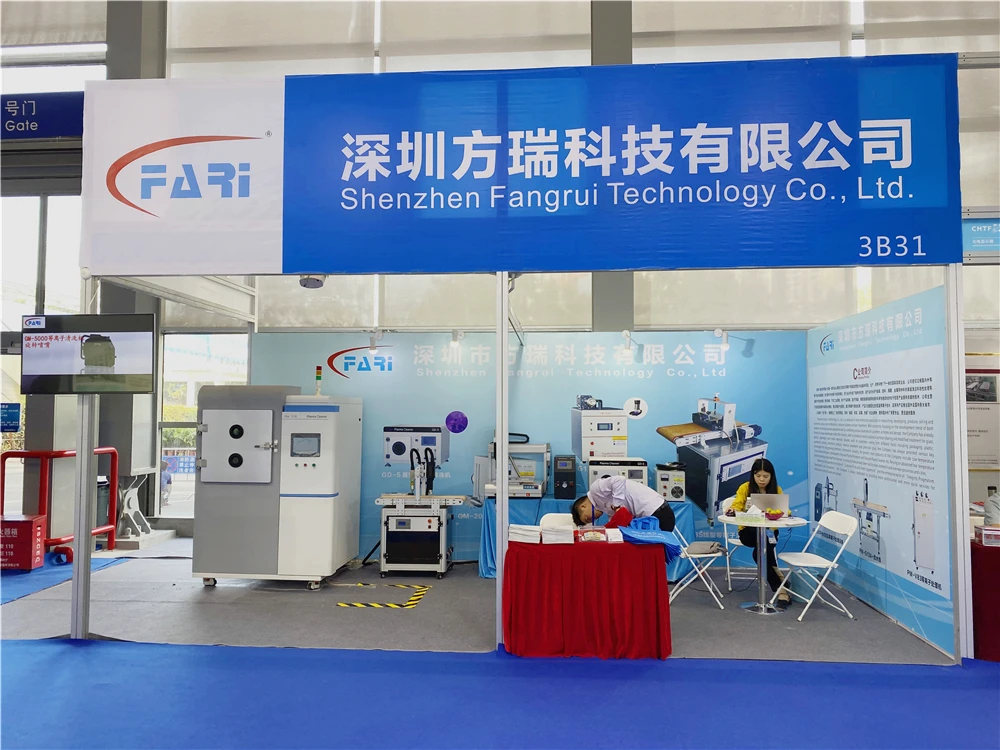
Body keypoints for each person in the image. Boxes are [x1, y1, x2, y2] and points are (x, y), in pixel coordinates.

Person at [729, 457, 789, 605]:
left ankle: (782, 589)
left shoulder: (776, 490)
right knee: (761, 551)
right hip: (748, 532)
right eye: (758, 476)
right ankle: (781, 585)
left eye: (765, 476)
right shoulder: (745, 488)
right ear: (753, 475)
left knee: (761, 552)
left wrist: (779, 512)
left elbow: (785, 510)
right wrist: (733, 510)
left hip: (769, 531)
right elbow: (736, 505)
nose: (762, 479)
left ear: (771, 476)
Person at [570, 475, 676, 532]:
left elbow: (619, 480)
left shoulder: (595, 490)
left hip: (658, 513)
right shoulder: (605, 508)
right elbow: (615, 525)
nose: (593, 519)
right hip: (648, 518)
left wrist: (617, 506)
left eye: (588, 519)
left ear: (583, 506)